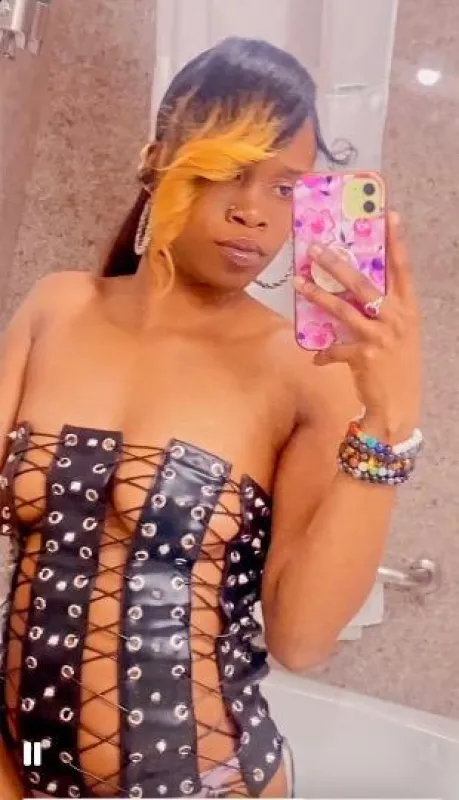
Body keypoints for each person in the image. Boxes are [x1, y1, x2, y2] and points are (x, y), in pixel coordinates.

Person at [0, 36, 421, 800]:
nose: (252, 213)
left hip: (208, 781)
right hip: (23, 769)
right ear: (157, 158)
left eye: (284, 187)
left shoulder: (303, 373)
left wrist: (386, 420)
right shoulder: (57, 308)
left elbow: (301, 638)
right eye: (227, 171)